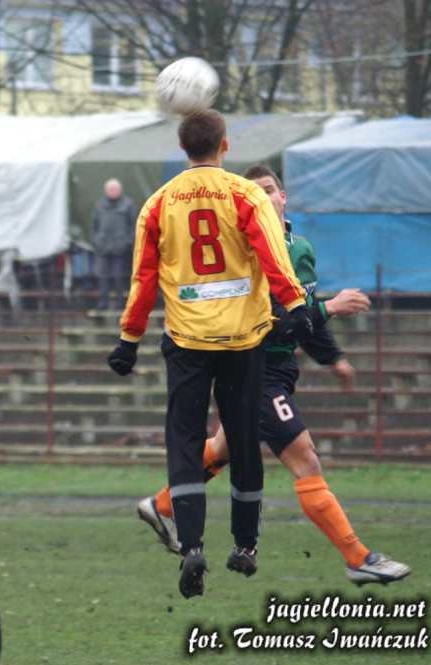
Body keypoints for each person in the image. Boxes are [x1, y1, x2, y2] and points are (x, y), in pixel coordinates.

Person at [137, 165, 411, 586]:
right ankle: (358, 558)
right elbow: (275, 320)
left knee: (224, 448)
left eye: (269, 189)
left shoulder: (299, 247)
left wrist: (332, 357)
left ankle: (162, 507)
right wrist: (331, 308)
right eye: (256, 192)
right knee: (305, 458)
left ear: (284, 197)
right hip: (255, 368)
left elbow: (301, 311)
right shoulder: (246, 246)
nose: (263, 197)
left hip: (280, 368)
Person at [107, 110, 312, 598]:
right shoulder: (245, 195)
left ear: (183, 148)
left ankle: (192, 545)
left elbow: (144, 279)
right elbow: (272, 256)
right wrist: (296, 304)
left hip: (187, 342)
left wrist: (129, 339)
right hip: (243, 340)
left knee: (184, 442)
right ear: (225, 145)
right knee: (242, 441)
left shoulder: (158, 203)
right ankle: (245, 545)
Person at [92, 178, 136, 310]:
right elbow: (94, 226)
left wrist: (127, 242)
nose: (113, 191)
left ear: (120, 190)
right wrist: (97, 241)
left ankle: (120, 303)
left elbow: (134, 226)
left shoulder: (128, 204)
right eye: (110, 189)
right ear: (106, 190)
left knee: (119, 277)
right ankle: (103, 303)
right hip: (103, 248)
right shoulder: (99, 205)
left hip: (121, 249)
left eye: (115, 189)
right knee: (102, 277)